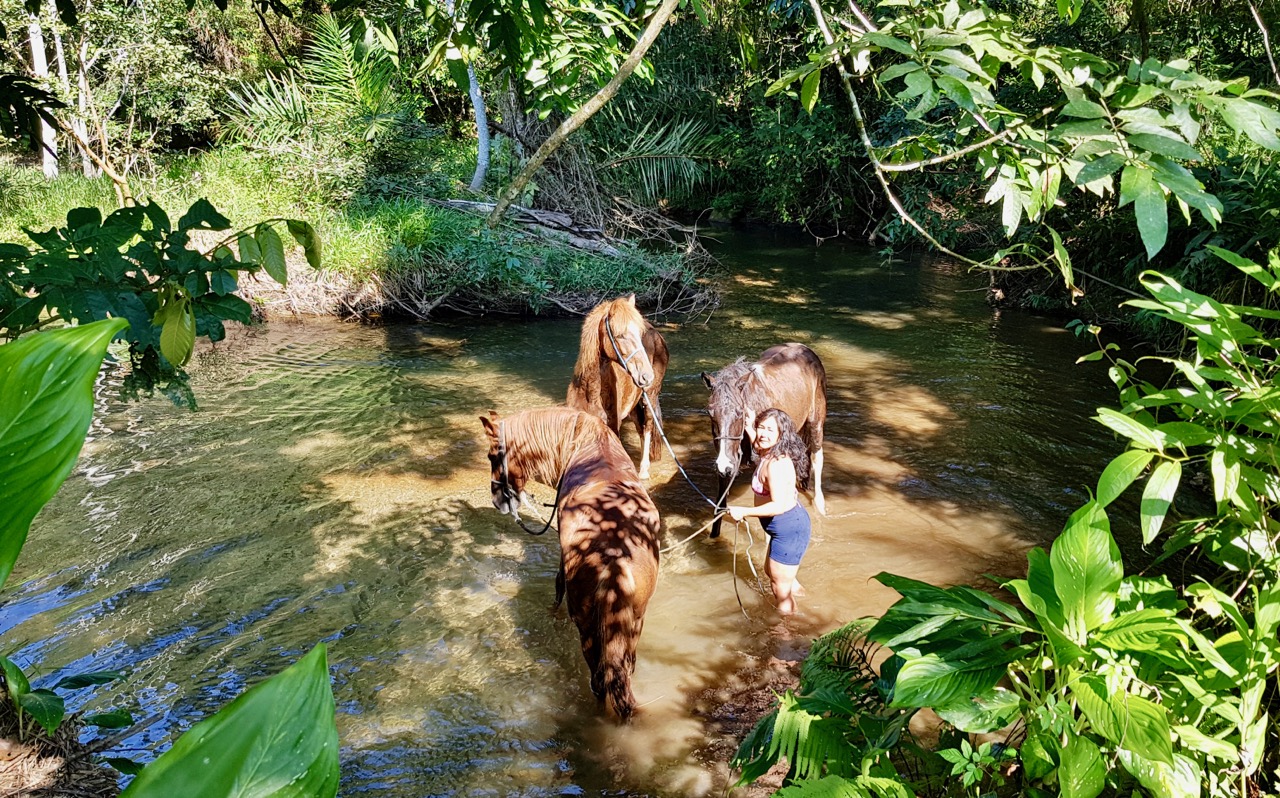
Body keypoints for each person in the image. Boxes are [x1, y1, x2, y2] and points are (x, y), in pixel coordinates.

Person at [726, 407, 812, 615]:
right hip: (783, 529)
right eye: (761, 428)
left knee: (780, 589)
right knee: (774, 575)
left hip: (789, 530)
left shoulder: (777, 464)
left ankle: (787, 631)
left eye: (770, 430)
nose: (763, 434)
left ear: (781, 435)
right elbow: (757, 442)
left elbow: (780, 505)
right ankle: (808, 603)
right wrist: (749, 424)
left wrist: (743, 512)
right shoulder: (768, 451)